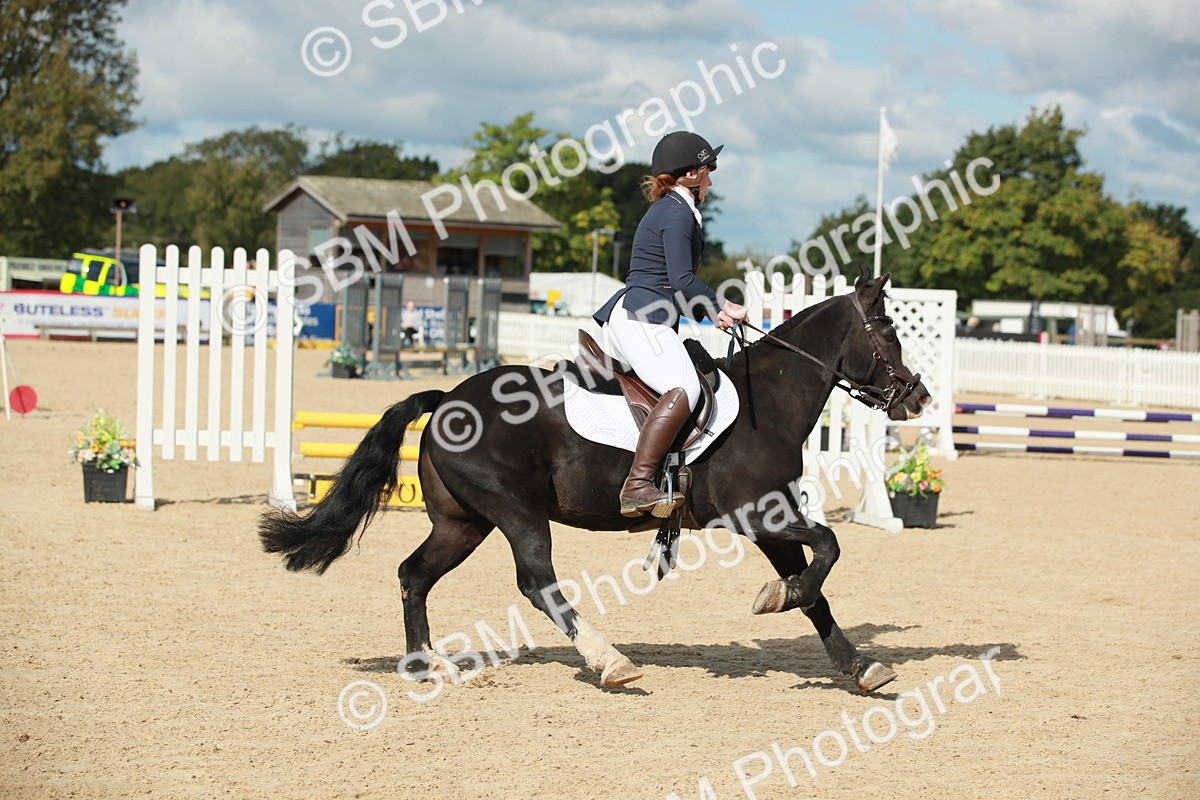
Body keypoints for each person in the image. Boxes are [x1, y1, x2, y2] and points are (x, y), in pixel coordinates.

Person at [594, 130, 746, 517]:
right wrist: (720, 304)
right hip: (640, 318)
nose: (711, 179)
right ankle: (638, 484)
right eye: (708, 171)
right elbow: (681, 279)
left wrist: (713, 314)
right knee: (685, 388)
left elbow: (672, 283)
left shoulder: (674, 210)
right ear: (692, 174)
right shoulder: (676, 212)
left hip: (648, 315)